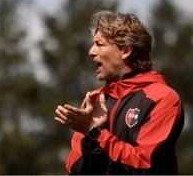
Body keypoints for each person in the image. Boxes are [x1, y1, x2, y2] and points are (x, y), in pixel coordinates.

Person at [55, 10, 184, 175]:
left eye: (99, 44)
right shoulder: (97, 99)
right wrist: (89, 138)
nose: (91, 51)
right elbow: (74, 169)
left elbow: (143, 166)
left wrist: (93, 132)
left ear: (125, 50)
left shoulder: (163, 98)